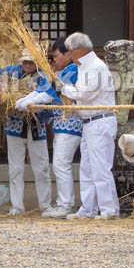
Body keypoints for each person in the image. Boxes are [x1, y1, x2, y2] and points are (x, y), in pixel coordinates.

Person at [59, 32, 120, 220]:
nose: (68, 54)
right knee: (86, 168)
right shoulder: (84, 67)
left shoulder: (96, 67)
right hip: (88, 122)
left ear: (80, 50)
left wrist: (64, 88)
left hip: (100, 121)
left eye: (70, 50)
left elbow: (85, 94)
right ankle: (88, 209)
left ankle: (109, 211)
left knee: (101, 168)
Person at [0, 48, 57, 216]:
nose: (27, 65)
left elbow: (50, 100)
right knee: (15, 168)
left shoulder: (45, 78)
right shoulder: (11, 75)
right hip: (15, 127)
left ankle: (45, 205)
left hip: (37, 127)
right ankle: (17, 206)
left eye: (31, 62)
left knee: (42, 168)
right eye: (24, 61)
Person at [45, 38, 83, 218]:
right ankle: (66, 203)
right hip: (63, 124)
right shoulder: (63, 72)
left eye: (56, 56)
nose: (54, 60)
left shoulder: (72, 70)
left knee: (61, 164)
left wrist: (27, 100)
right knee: (61, 164)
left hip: (70, 123)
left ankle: (65, 204)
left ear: (68, 54)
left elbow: (48, 93)